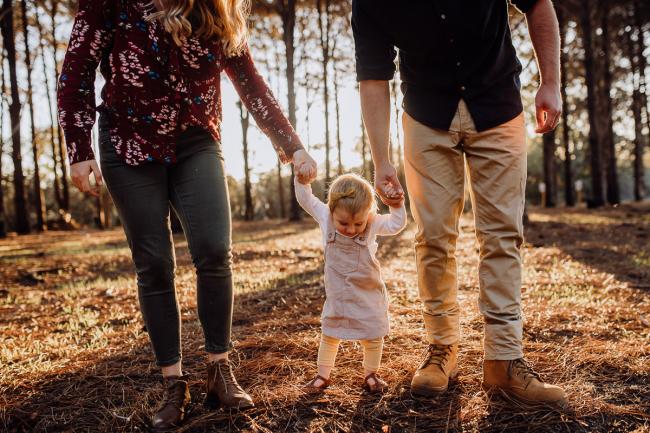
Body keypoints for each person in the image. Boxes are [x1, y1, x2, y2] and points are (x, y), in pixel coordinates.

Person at [57, 0, 317, 429]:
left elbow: (249, 80)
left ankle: (219, 367)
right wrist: (79, 147)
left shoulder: (217, 8)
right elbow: (77, 68)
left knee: (215, 249)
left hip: (197, 140)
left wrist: (292, 143)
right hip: (128, 142)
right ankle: (173, 382)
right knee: (154, 263)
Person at [352, 0, 567, 407]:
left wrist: (551, 82)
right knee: (433, 237)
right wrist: (381, 160)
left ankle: (504, 358)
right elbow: (373, 77)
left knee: (503, 234)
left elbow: (539, 4)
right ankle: (441, 350)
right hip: (425, 116)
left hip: (498, 107)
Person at [294, 173, 407, 394]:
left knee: (372, 334)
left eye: (358, 223)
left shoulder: (373, 223)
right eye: (343, 223)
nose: (351, 229)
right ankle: (322, 376)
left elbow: (396, 224)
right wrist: (302, 179)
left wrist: (397, 205)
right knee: (330, 332)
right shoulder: (325, 217)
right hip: (338, 294)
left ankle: (371, 374)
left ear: (369, 215)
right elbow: (306, 200)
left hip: (367, 292)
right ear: (331, 210)